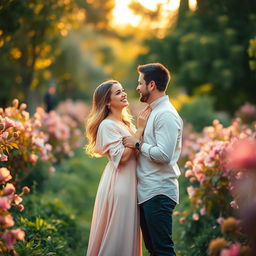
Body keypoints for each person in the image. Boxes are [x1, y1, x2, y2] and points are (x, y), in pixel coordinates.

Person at [123, 63, 183, 256]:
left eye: (140, 83)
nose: (137, 87)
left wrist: (137, 144)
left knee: (163, 250)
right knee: (155, 250)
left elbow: (164, 155)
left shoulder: (165, 114)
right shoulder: (154, 111)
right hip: (149, 191)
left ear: (151, 85)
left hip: (158, 192)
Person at [85, 80, 150, 256]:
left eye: (122, 90)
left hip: (129, 182)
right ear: (107, 102)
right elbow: (123, 157)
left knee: (126, 234)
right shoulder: (107, 125)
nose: (124, 94)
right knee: (118, 235)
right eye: (118, 93)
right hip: (120, 185)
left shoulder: (124, 123)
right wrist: (140, 130)